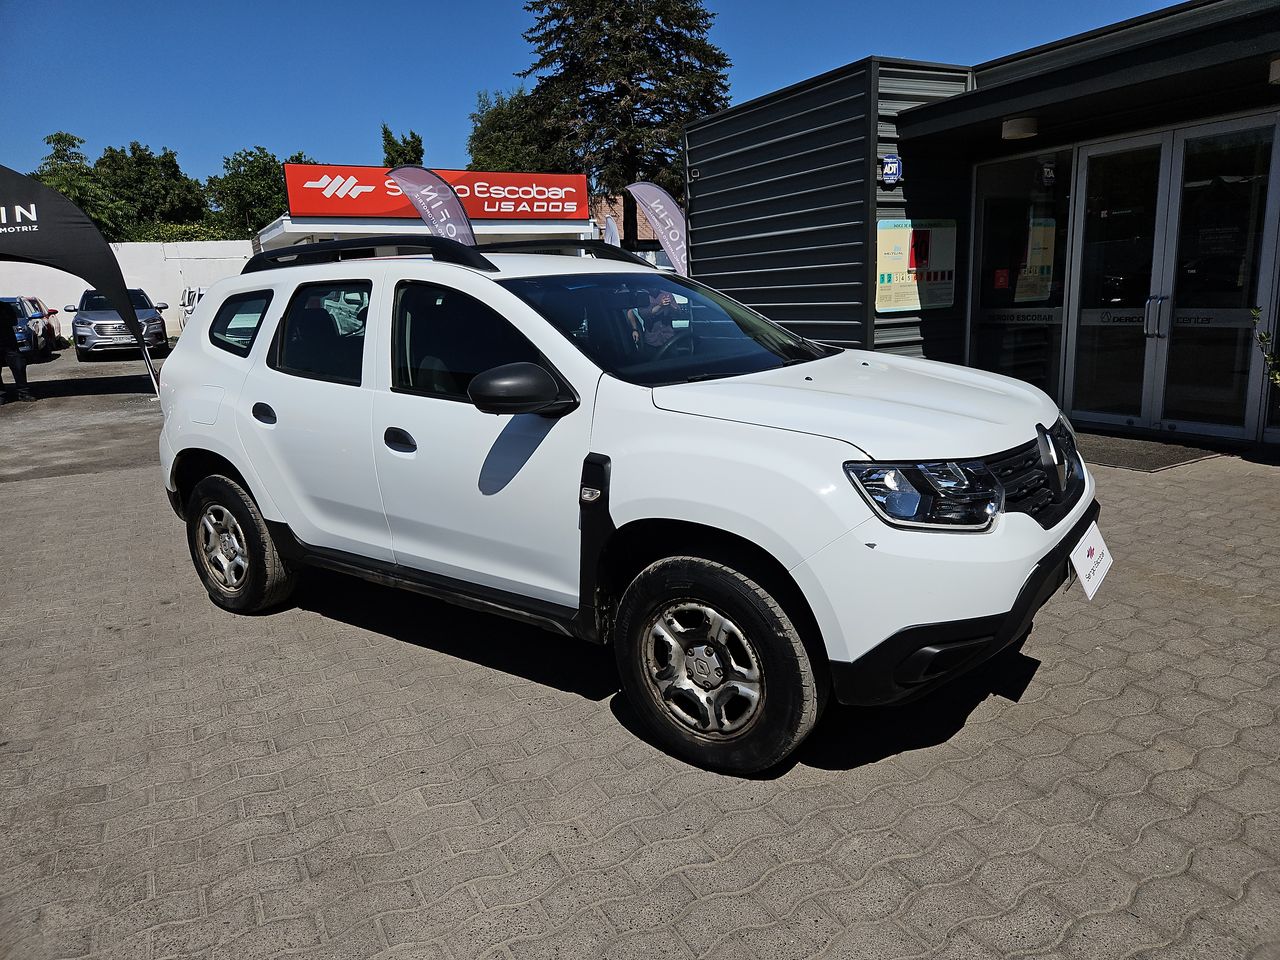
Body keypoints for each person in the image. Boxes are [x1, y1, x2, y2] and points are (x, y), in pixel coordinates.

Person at [0, 300, 36, 404]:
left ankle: (24, 392)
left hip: (8, 344)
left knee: (19, 366)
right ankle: (1, 395)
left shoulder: (4, 306)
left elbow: (14, 321)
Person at [626, 287, 678, 352]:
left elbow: (678, 312)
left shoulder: (667, 294)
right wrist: (660, 306)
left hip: (669, 339)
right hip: (651, 341)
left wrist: (670, 305)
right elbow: (644, 314)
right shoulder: (642, 296)